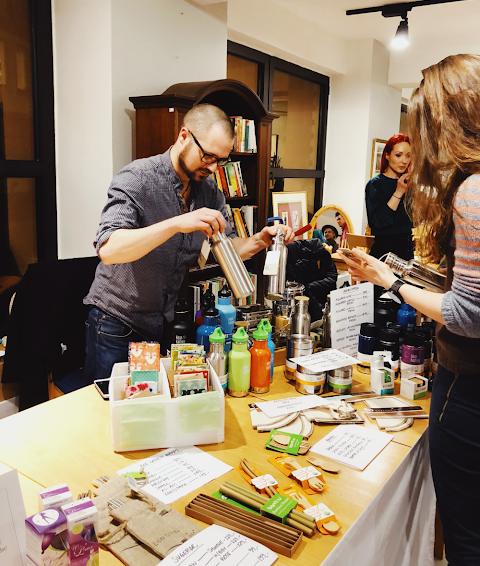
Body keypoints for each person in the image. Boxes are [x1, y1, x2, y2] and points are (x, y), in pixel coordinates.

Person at [340, 54, 480, 566]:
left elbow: (467, 313)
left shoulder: (472, 192)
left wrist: (389, 281)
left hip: (470, 383)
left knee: (467, 538)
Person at [84, 103, 294, 382]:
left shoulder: (209, 193)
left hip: (162, 323)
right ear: (184, 136)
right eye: (207, 156)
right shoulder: (137, 178)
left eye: (221, 160)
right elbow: (109, 248)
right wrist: (176, 224)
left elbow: (225, 250)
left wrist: (259, 241)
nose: (213, 167)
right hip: (116, 323)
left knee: (149, 411)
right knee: (110, 412)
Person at [365, 134, 413, 261]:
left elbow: (413, 221)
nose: (404, 160)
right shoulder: (375, 184)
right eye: (398, 155)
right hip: (384, 254)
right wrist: (398, 192)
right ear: (387, 155)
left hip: (407, 253)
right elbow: (378, 222)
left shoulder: (408, 183)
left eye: (408, 156)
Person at [285, 238, 337, 321]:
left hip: (307, 300)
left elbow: (332, 277)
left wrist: (310, 287)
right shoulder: (294, 254)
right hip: (303, 301)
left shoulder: (323, 255)